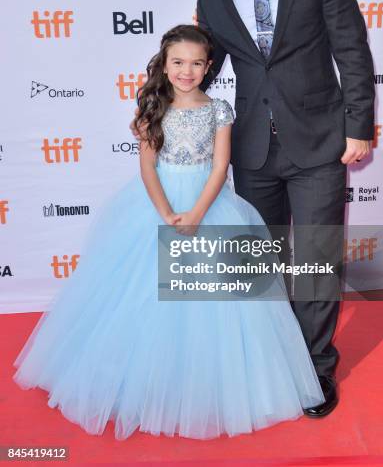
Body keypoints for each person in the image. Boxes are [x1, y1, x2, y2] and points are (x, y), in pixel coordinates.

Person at [13, 25, 325, 441]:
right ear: (164, 64)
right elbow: (146, 167)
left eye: (196, 63)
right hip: (157, 207)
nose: (187, 71)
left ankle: (211, 386)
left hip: (209, 207)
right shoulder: (152, 108)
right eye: (178, 62)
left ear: (209, 67)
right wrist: (166, 214)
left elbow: (220, 167)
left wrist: (196, 214)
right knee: (144, 295)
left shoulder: (219, 110)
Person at [174, 0, 375, 417]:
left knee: (313, 262)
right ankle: (269, 362)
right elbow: (203, 70)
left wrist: (360, 126)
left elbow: (352, 50)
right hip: (251, 148)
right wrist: (161, 106)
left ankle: (314, 372)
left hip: (319, 142)